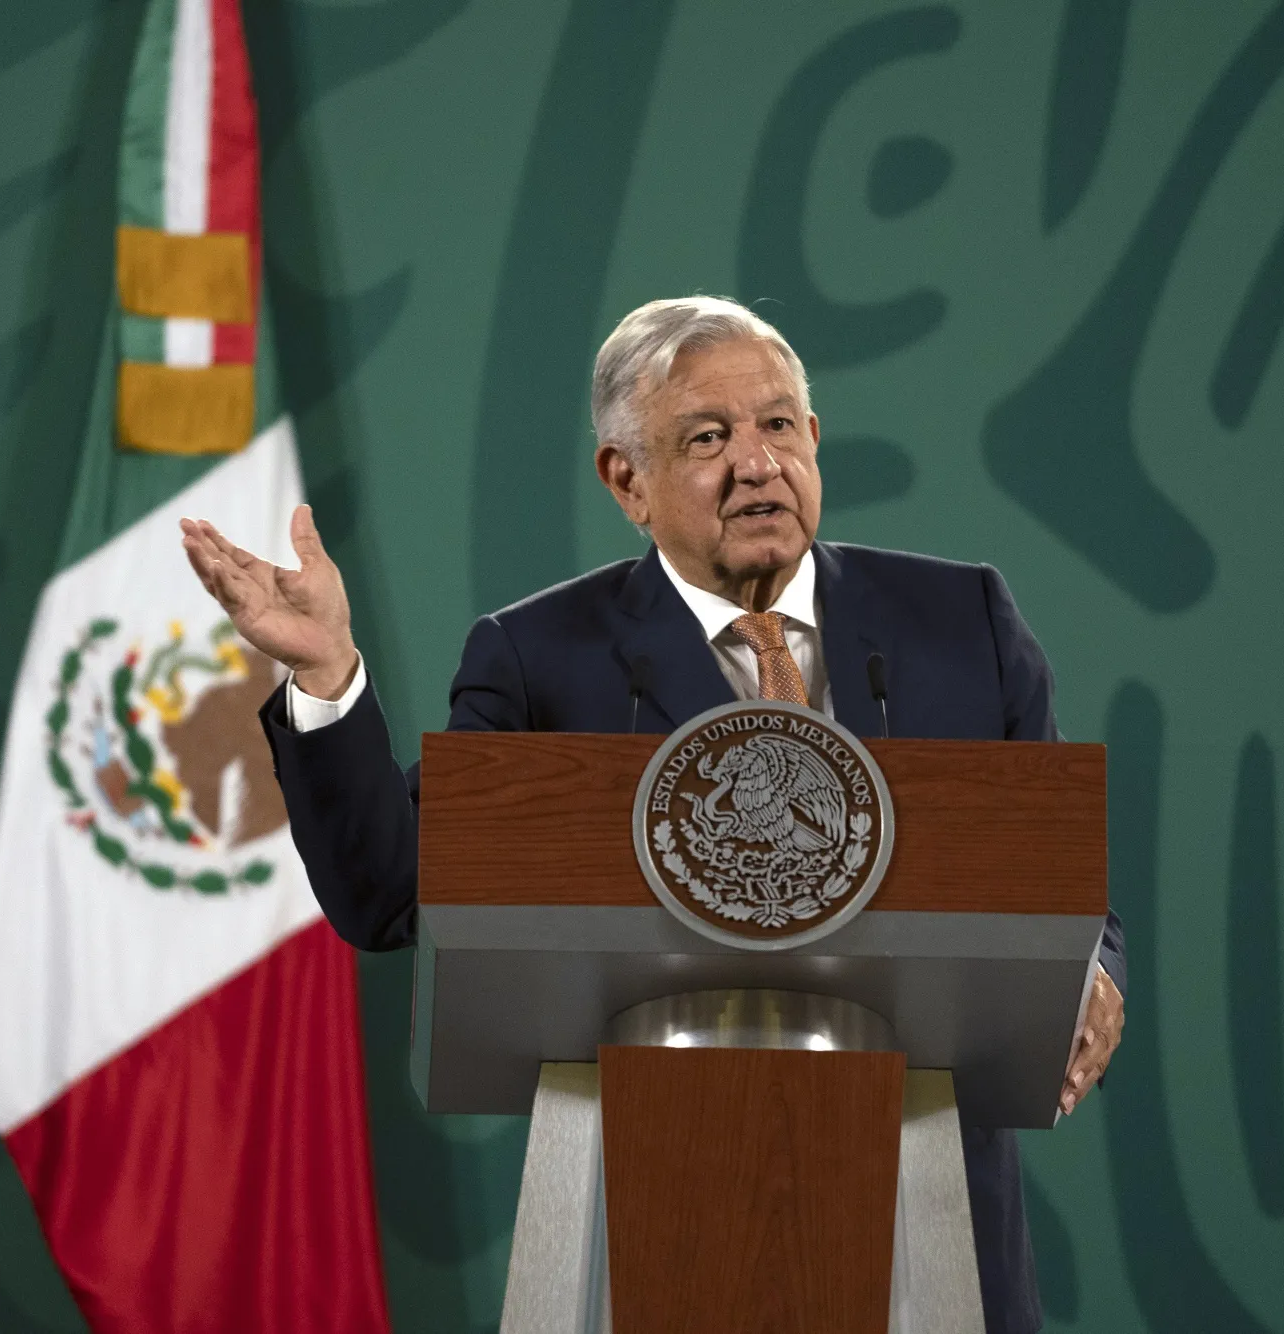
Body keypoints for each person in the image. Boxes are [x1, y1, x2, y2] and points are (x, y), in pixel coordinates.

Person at [181, 295, 1126, 1334]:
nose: (757, 463)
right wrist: (326, 674)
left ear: (814, 438)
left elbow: (1050, 867)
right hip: (647, 1211)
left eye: (778, 424)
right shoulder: (538, 656)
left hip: (931, 1218)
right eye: (707, 438)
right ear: (625, 480)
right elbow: (389, 890)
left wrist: (1094, 967)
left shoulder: (962, 620)